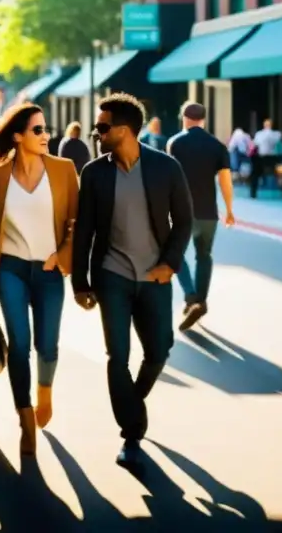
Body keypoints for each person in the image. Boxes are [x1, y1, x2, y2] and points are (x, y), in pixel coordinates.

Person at [71, 93, 194, 468]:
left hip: (155, 277)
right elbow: (85, 231)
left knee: (159, 350)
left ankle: (132, 401)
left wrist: (170, 265)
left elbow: (184, 221)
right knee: (117, 356)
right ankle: (131, 432)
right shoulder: (94, 173)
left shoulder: (166, 168)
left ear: (124, 130)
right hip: (112, 277)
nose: (97, 132)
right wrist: (79, 282)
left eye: (103, 127)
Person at [0, 103, 79, 455]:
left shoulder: (63, 170)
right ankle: (24, 417)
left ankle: (44, 393)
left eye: (46, 129)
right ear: (18, 136)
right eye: (38, 130)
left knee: (47, 345)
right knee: (19, 344)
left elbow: (77, 222)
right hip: (11, 269)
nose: (46, 136)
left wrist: (62, 256)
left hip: (48, 272)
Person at [167, 102, 235, 331]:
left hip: (182, 212)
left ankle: (191, 296)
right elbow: (225, 180)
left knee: (175, 254)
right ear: (204, 120)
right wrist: (229, 210)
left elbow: (170, 180)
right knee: (204, 256)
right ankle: (201, 301)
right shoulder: (217, 146)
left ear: (185, 118)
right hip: (208, 213)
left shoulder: (174, 143)